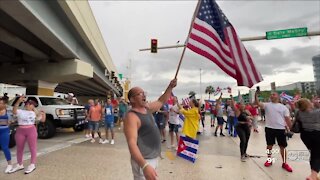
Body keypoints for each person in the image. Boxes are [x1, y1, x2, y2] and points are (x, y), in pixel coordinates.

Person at [124, 78, 177, 180]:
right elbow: (131, 143)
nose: (144, 95)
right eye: (140, 94)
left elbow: (161, 100)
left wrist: (170, 87)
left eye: (144, 93)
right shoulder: (132, 117)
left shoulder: (147, 108)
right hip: (144, 161)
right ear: (132, 99)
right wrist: (144, 166)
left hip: (152, 159)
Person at [255, 91, 293, 172]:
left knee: (282, 147)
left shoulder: (284, 107)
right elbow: (258, 103)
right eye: (271, 94)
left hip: (281, 129)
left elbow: (287, 119)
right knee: (269, 146)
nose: (271, 96)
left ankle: (284, 163)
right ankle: (269, 160)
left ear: (278, 97)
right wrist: (255, 95)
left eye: (274, 94)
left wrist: (292, 129)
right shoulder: (267, 105)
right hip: (269, 128)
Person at [10, 96, 46, 174]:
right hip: (20, 131)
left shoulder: (35, 113)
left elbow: (42, 120)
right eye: (26, 103)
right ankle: (19, 164)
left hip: (31, 130)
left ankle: (32, 164)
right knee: (19, 148)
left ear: (33, 105)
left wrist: (43, 113)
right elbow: (14, 111)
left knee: (32, 148)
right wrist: (18, 101)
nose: (27, 105)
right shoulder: (20, 111)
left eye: (30, 104)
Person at [295, 98, 320, 180]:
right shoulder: (316, 112)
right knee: (317, 155)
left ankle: (314, 175)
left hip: (305, 136)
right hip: (317, 135)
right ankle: (312, 176)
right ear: (308, 104)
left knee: (313, 154)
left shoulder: (299, 113)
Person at [230, 95, 252, 161]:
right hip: (239, 126)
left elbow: (252, 117)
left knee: (247, 140)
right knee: (243, 140)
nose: (243, 106)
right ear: (239, 106)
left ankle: (245, 153)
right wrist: (232, 98)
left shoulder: (246, 111)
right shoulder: (238, 111)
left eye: (243, 105)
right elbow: (233, 106)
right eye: (241, 105)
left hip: (247, 126)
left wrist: (249, 118)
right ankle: (242, 154)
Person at [0, 97, 13, 173]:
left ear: (5, 104)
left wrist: (10, 121)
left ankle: (9, 165)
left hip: (4, 131)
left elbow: (10, 121)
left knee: (5, 147)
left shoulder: (8, 111)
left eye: (1, 103)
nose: (0, 104)